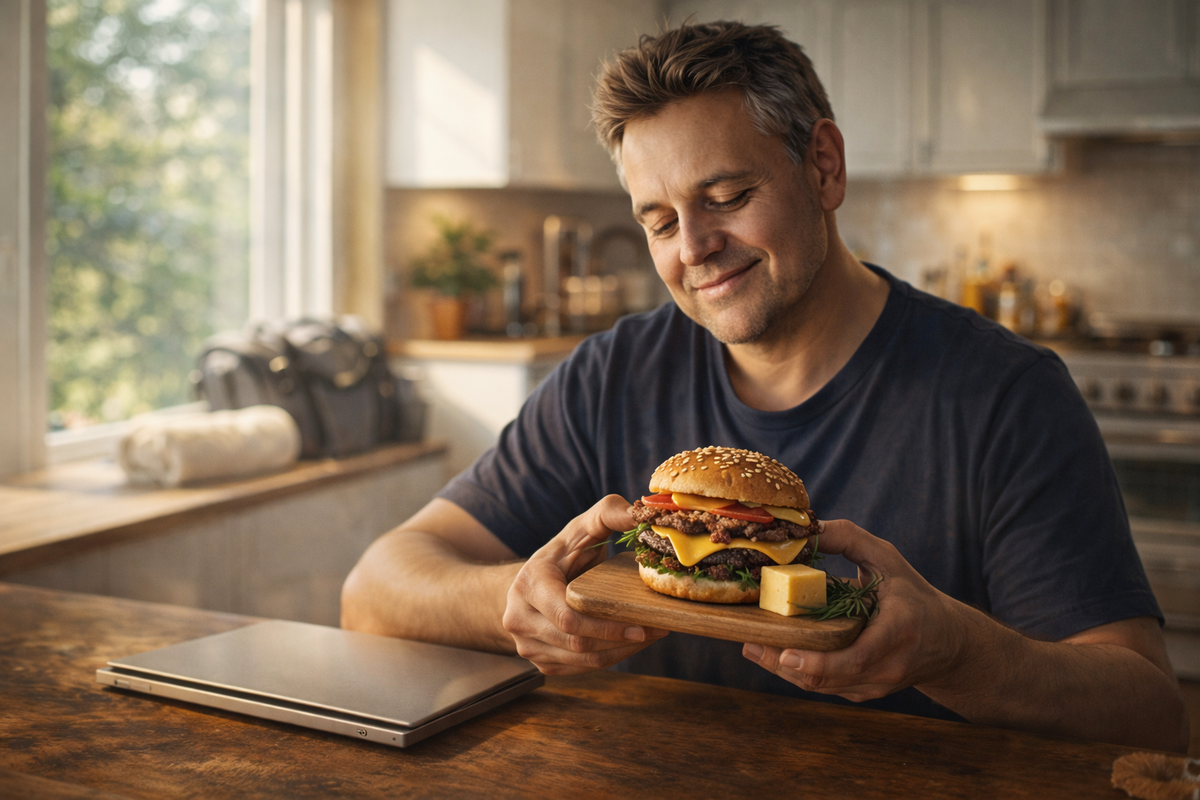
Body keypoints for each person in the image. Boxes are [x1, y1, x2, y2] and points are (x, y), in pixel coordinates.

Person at [342, 21, 1189, 752]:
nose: (694, 247)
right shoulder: (613, 374)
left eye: (728, 196)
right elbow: (374, 589)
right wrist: (523, 599)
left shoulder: (1005, 396)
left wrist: (954, 653)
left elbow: (1149, 715)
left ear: (823, 168)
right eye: (661, 221)